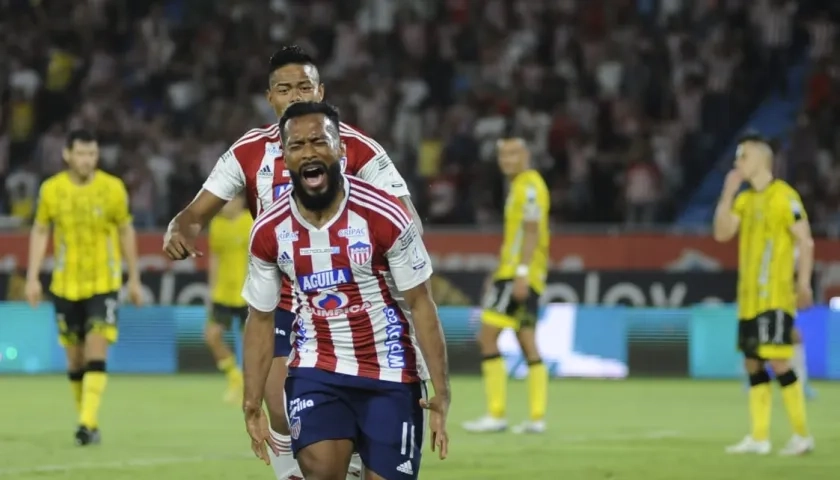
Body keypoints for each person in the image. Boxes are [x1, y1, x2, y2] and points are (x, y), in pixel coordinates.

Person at [162, 45, 420, 480]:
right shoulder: (249, 152)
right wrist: (179, 230)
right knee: (280, 408)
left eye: (304, 86)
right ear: (270, 98)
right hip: (284, 300)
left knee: (352, 422)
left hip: (355, 303)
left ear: (321, 91)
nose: (295, 96)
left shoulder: (358, 148)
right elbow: (193, 213)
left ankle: (354, 452)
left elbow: (407, 219)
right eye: (284, 89)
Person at [241, 102, 450, 480]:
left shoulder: (385, 214)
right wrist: (251, 401)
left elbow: (421, 304)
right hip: (316, 369)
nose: (308, 152)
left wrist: (442, 391)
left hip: (390, 373)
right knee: (321, 470)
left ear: (340, 148)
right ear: (285, 157)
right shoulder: (269, 230)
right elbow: (260, 318)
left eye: (319, 142)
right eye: (297, 145)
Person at [24, 129, 143, 445]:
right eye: (81, 153)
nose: (87, 160)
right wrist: (32, 277)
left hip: (103, 282)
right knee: (75, 359)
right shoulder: (51, 190)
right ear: (67, 155)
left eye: (92, 154)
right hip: (65, 284)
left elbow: (126, 230)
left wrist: (134, 278)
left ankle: (86, 422)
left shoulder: (112, 188)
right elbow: (40, 231)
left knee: (96, 346)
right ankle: (88, 423)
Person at [713, 134, 815, 456]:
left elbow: (806, 241)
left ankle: (802, 435)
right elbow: (721, 234)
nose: (737, 163)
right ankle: (759, 438)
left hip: (775, 296)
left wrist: (803, 284)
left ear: (760, 160)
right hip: (749, 300)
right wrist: (727, 193)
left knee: (779, 361)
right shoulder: (744, 200)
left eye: (743, 157)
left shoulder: (785, 197)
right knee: (752, 363)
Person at [463, 138, 550, 434]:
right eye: (503, 155)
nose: (507, 160)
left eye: (513, 154)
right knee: (527, 342)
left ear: (527, 155)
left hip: (518, 275)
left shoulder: (529, 187)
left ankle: (496, 414)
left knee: (487, 337)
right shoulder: (521, 186)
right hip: (518, 272)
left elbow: (531, 231)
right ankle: (537, 418)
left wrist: (520, 273)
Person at [205, 193, 252, 403]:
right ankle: (234, 377)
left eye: (230, 200)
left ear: (240, 202)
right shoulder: (217, 225)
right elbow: (214, 258)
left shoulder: (251, 222)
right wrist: (211, 289)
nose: (224, 205)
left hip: (248, 293)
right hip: (223, 292)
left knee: (250, 342)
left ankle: (252, 386)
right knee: (212, 335)